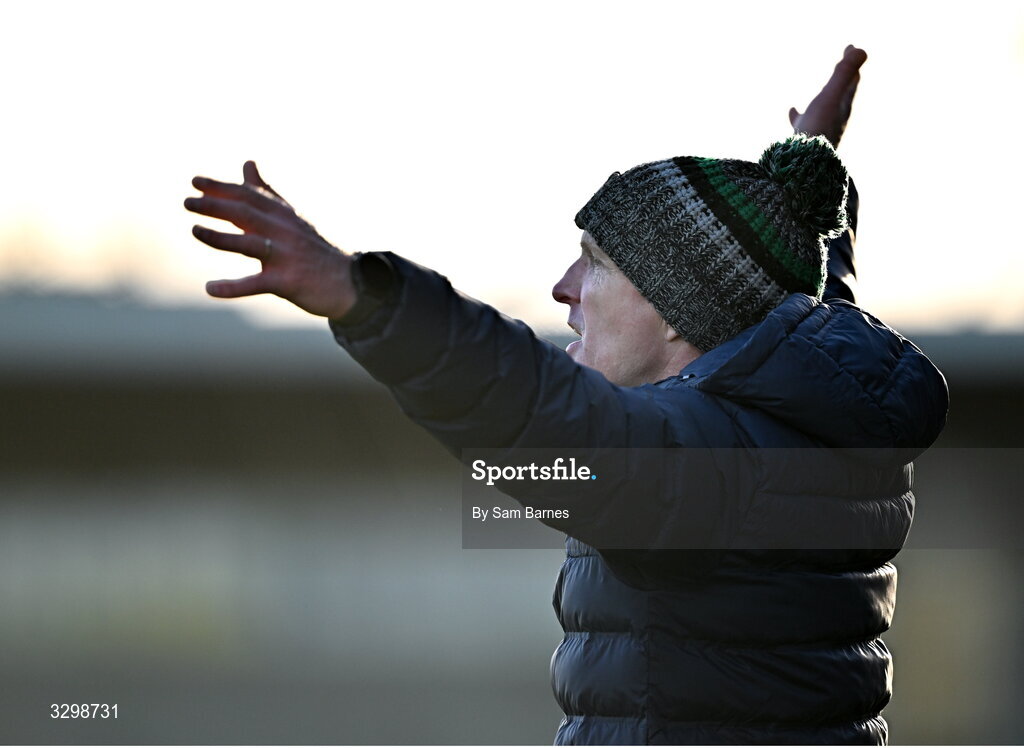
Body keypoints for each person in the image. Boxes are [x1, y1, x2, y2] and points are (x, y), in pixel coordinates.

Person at [185, 46, 948, 745]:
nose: (564, 289)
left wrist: (361, 295)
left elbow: (533, 408)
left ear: (680, 311)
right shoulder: (818, 414)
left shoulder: (704, 472)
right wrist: (803, 183)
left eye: (596, 263)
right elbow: (788, 302)